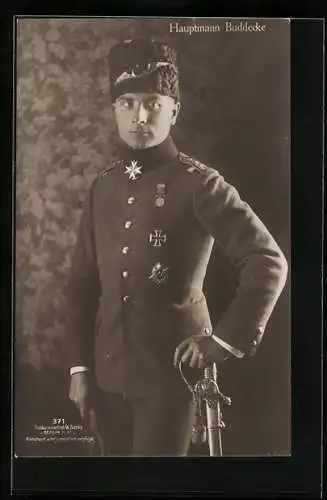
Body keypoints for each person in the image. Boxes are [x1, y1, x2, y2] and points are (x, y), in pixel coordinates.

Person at [65, 38, 288, 456]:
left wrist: (223, 340)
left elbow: (267, 260)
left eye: (152, 102)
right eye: (127, 102)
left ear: (174, 110)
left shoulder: (199, 183)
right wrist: (80, 367)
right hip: (105, 376)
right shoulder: (103, 186)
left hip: (173, 379)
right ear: (114, 109)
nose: (140, 116)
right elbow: (81, 284)